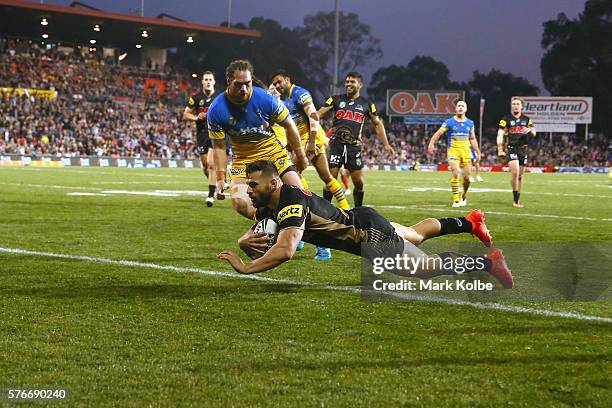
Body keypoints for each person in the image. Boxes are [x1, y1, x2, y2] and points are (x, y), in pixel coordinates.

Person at [218, 160, 513, 290]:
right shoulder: (273, 200)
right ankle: (469, 222)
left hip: (368, 236)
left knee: (424, 270)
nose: (248, 191)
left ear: (272, 183)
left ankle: (488, 263)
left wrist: (245, 267)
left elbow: (285, 250)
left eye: (252, 185)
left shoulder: (291, 203)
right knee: (415, 235)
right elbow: (265, 224)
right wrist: (246, 240)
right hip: (362, 219)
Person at [207, 60, 308, 220]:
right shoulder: (216, 109)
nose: (244, 89)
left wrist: (301, 155)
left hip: (273, 153)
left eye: (248, 84)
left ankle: (307, 234)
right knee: (240, 203)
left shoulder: (265, 98)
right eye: (238, 85)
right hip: (243, 159)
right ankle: (267, 224)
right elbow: (219, 147)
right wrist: (220, 178)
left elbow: (289, 124)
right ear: (228, 81)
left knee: (298, 195)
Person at [271, 70, 350, 261]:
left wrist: (312, 141)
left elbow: (314, 116)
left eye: (279, 81)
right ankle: (303, 228)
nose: (277, 84)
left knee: (315, 178)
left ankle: (341, 212)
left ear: (288, 79)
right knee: (301, 181)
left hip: (311, 139)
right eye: (274, 83)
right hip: (299, 142)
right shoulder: (282, 101)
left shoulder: (300, 93)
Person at [318, 72, 396, 207]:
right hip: (336, 145)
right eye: (347, 81)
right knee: (331, 179)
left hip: (354, 147)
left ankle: (358, 210)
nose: (348, 84)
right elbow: (318, 114)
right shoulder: (335, 99)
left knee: (359, 182)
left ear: (360, 85)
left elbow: (378, 124)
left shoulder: (367, 104)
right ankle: (326, 210)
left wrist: (386, 145)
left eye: (352, 82)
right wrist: (313, 132)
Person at [428, 100, 481, 207]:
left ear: (466, 109)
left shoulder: (470, 123)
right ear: (456, 108)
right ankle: (456, 200)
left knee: (467, 178)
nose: (460, 107)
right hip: (453, 150)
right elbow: (438, 133)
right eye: (459, 106)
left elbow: (472, 138)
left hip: (466, 151)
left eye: (463, 106)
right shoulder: (449, 122)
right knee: (456, 172)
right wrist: (431, 143)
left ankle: (464, 196)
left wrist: (478, 151)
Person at [183, 70, 221, 206]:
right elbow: (186, 114)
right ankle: (214, 183)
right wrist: (196, 117)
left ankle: (210, 195)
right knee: (205, 166)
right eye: (206, 79)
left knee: (211, 164)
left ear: (214, 82)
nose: (208, 82)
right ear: (202, 82)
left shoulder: (220, 97)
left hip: (216, 133)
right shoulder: (196, 98)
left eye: (210, 79)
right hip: (202, 134)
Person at [497, 97, 536, 208]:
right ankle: (515, 200)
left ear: (521, 106)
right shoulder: (506, 119)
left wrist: (529, 130)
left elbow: (534, 132)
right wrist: (500, 149)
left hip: (523, 149)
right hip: (511, 148)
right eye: (513, 104)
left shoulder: (527, 120)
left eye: (517, 104)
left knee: (520, 176)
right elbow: (500, 134)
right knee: (515, 172)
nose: (515, 105)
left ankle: (517, 198)